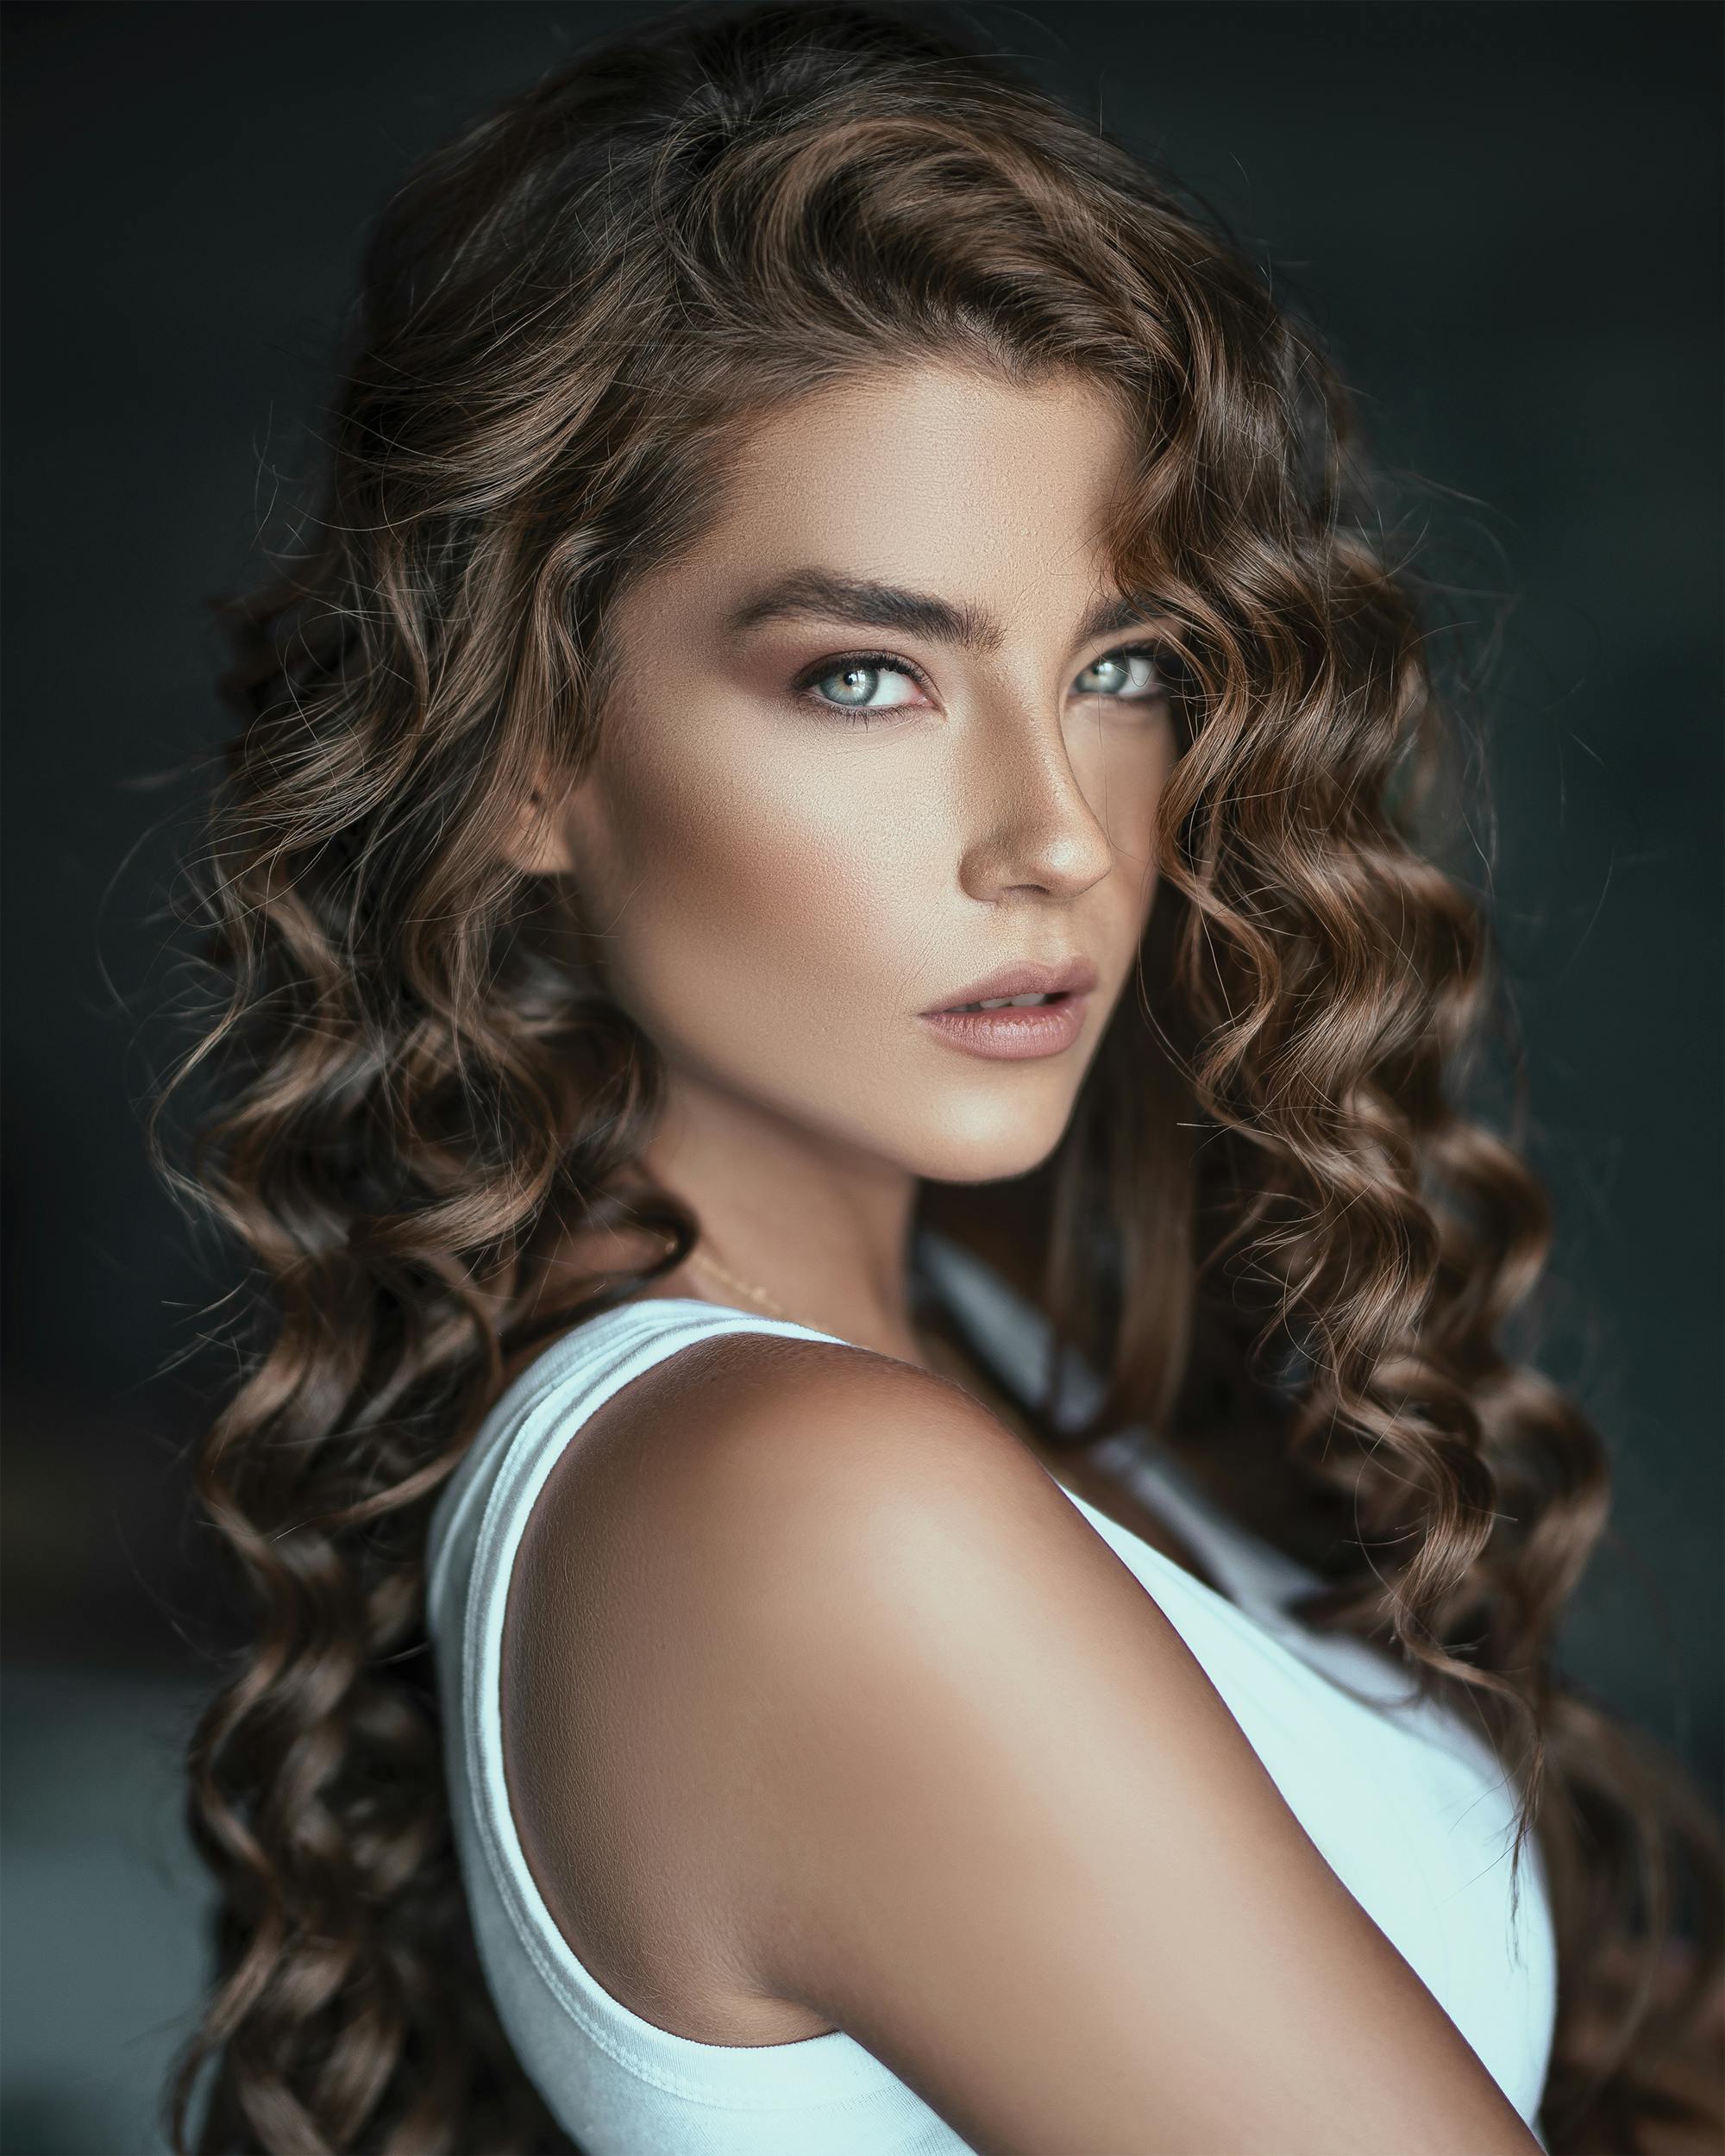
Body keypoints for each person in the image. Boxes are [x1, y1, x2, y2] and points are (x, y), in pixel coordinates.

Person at [153, 4, 1722, 2153]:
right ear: (524, 755)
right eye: (867, 674)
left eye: (1125, 670)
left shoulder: (941, 1336)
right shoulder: (810, 1506)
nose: (1058, 835)